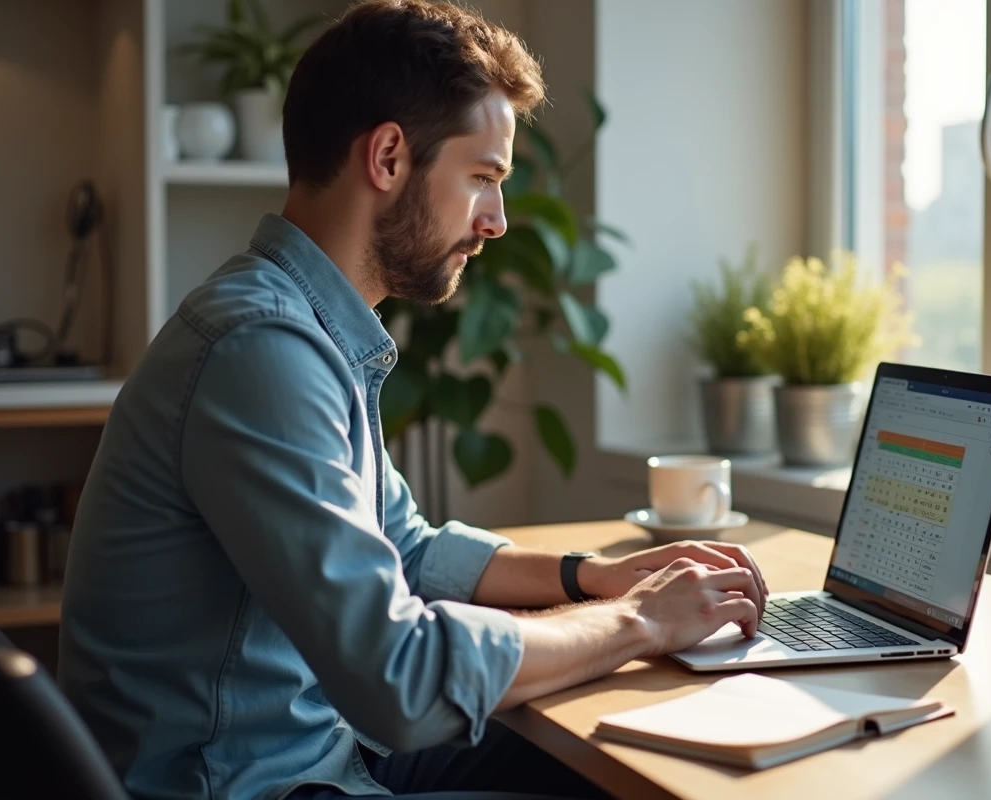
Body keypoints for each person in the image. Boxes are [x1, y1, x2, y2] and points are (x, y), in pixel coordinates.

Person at [58, 2, 768, 798]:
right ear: (390, 157)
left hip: (315, 749)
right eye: (483, 178)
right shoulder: (260, 350)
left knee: (623, 761)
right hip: (248, 784)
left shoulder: (304, 329)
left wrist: (595, 579)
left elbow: (409, 549)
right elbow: (396, 680)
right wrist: (640, 621)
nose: (496, 220)